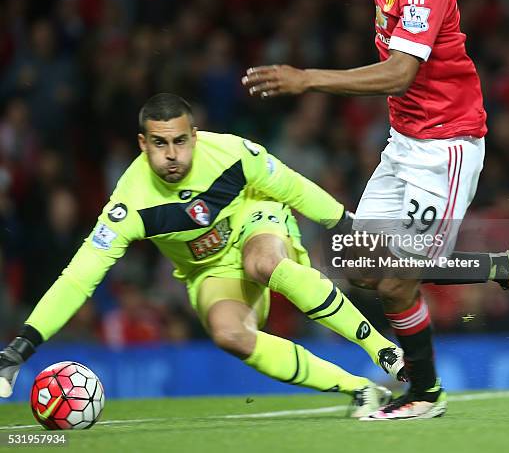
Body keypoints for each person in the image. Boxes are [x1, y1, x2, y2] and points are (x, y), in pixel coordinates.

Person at [242, 0, 509, 420]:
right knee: (362, 263)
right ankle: (502, 267)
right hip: (405, 141)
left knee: (401, 273)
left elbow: (401, 72)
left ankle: (426, 393)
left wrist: (308, 78)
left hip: (445, 146)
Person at [0, 93, 407, 418]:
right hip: (207, 270)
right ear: (143, 144)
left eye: (180, 141)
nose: (172, 154)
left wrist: (345, 224)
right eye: (160, 144)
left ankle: (382, 351)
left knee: (262, 262)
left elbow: (293, 188)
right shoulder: (130, 203)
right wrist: (22, 346)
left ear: (194, 135)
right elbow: (78, 278)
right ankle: (358, 387)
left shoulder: (232, 154)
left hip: (256, 219)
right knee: (229, 335)